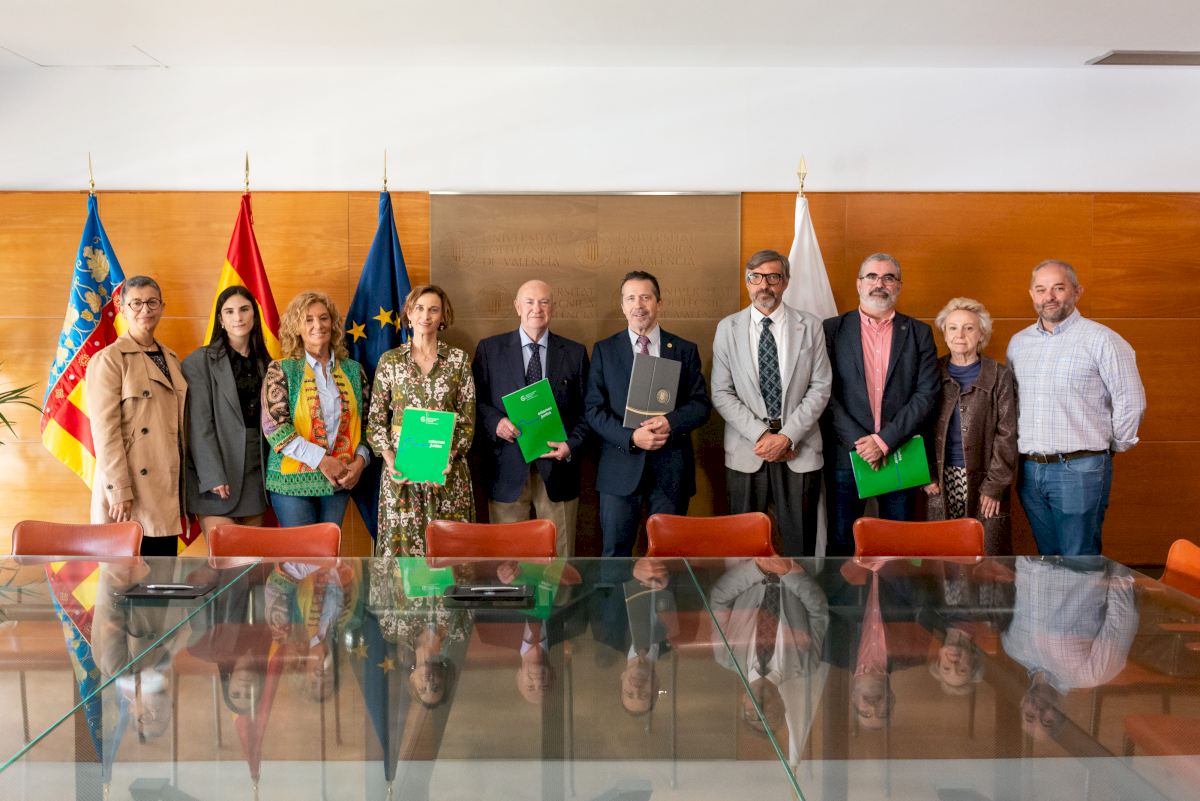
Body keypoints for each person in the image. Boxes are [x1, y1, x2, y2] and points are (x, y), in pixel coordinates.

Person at [1006, 260, 1146, 556]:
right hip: (1030, 470)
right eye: (1041, 289)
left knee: (1079, 560)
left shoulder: (1103, 340)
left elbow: (1130, 400)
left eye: (1059, 288)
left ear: (1077, 291)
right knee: (1049, 559)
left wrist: (1110, 448)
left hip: (1080, 469)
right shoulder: (1018, 344)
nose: (1049, 296)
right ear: (1031, 294)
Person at [711, 249, 832, 556]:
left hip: (799, 449)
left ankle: (796, 593)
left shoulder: (811, 326)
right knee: (744, 551)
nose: (764, 285)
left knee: (799, 551)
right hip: (747, 450)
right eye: (756, 277)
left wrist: (787, 436)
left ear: (786, 282)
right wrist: (763, 436)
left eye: (773, 277)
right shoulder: (728, 328)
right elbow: (722, 392)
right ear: (747, 282)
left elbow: (820, 387)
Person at [584, 270, 711, 557]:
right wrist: (631, 438)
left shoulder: (683, 349)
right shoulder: (605, 350)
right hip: (619, 470)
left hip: (670, 471)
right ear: (622, 306)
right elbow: (593, 410)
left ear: (659, 303)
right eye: (631, 298)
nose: (638, 305)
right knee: (615, 557)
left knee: (668, 558)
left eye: (645, 297)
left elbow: (701, 405)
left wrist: (670, 421)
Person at [821, 253, 939, 555]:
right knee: (842, 547)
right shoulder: (831, 330)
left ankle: (895, 592)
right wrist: (862, 444)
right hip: (847, 454)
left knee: (898, 548)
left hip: (901, 453)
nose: (879, 283)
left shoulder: (919, 333)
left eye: (888, 277)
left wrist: (883, 441)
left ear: (899, 285)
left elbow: (926, 394)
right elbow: (825, 392)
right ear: (859, 284)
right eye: (872, 276)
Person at [472, 279, 590, 557]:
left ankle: (558, 590)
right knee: (508, 562)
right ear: (517, 306)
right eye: (529, 302)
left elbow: (588, 411)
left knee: (559, 559)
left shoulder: (574, 353)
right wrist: (496, 423)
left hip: (558, 468)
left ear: (553, 308)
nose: (537, 308)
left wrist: (571, 445)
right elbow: (475, 401)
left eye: (544, 302)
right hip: (507, 467)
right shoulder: (490, 349)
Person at [367, 285, 475, 558]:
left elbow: (467, 423)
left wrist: (449, 457)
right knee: (403, 562)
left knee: (449, 558)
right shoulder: (390, 361)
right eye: (420, 308)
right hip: (402, 476)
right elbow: (375, 422)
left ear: (443, 316)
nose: (426, 316)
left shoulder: (459, 361)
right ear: (409, 313)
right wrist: (390, 460)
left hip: (446, 476)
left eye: (433, 310)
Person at [87, 275, 188, 556]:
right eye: (136, 303)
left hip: (164, 489)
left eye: (152, 302)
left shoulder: (171, 358)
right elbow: (105, 433)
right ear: (122, 309)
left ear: (162, 307)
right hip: (128, 492)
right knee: (123, 579)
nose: (145, 309)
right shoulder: (109, 359)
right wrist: (119, 490)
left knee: (162, 577)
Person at [261, 291, 370, 528]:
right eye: (308, 320)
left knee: (330, 550)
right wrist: (321, 460)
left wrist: (360, 463)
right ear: (296, 328)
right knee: (301, 551)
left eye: (323, 318)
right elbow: (274, 429)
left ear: (333, 323)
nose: (318, 325)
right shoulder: (281, 370)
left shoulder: (353, 370)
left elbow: (366, 427)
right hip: (291, 485)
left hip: (340, 481)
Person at [923, 297, 1018, 555]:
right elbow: (918, 425)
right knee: (944, 557)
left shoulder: (999, 375)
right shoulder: (931, 372)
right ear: (944, 333)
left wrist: (995, 485)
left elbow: (1007, 434)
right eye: (953, 328)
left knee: (986, 559)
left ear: (981, 334)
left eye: (969, 328)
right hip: (940, 479)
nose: (960, 335)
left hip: (985, 479)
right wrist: (925, 474)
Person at [183, 286, 272, 536]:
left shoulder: (268, 364)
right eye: (229, 312)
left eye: (244, 310)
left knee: (251, 556)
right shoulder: (198, 362)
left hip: (256, 474)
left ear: (254, 315)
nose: (238, 317)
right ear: (221, 320)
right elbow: (199, 426)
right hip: (217, 474)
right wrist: (212, 475)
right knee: (225, 555)